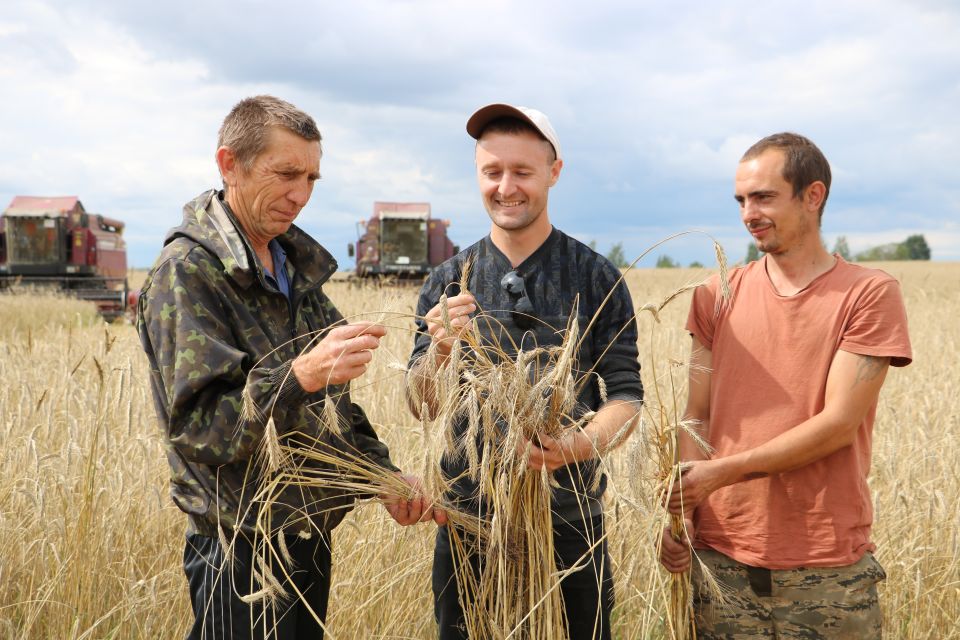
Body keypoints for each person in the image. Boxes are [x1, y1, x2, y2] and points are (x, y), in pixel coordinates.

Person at [138, 95, 434, 640]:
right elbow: (203, 430)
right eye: (286, 173)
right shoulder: (188, 275)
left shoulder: (291, 268)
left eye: (313, 179)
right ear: (230, 164)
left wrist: (385, 477)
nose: (300, 195)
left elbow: (331, 406)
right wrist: (300, 375)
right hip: (239, 548)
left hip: (305, 532)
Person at [405, 103, 644, 640]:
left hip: (569, 524)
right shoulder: (447, 281)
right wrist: (442, 351)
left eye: (522, 172)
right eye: (492, 172)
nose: (505, 187)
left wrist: (575, 447)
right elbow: (422, 403)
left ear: (554, 173)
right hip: (468, 525)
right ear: (477, 175)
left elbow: (626, 398)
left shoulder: (595, 277)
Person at [660, 132, 912, 638]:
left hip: (826, 568)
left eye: (764, 197)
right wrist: (686, 511)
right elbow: (697, 413)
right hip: (722, 563)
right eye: (741, 200)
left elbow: (840, 424)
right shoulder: (715, 295)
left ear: (812, 196)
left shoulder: (868, 294)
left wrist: (721, 474)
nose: (749, 213)